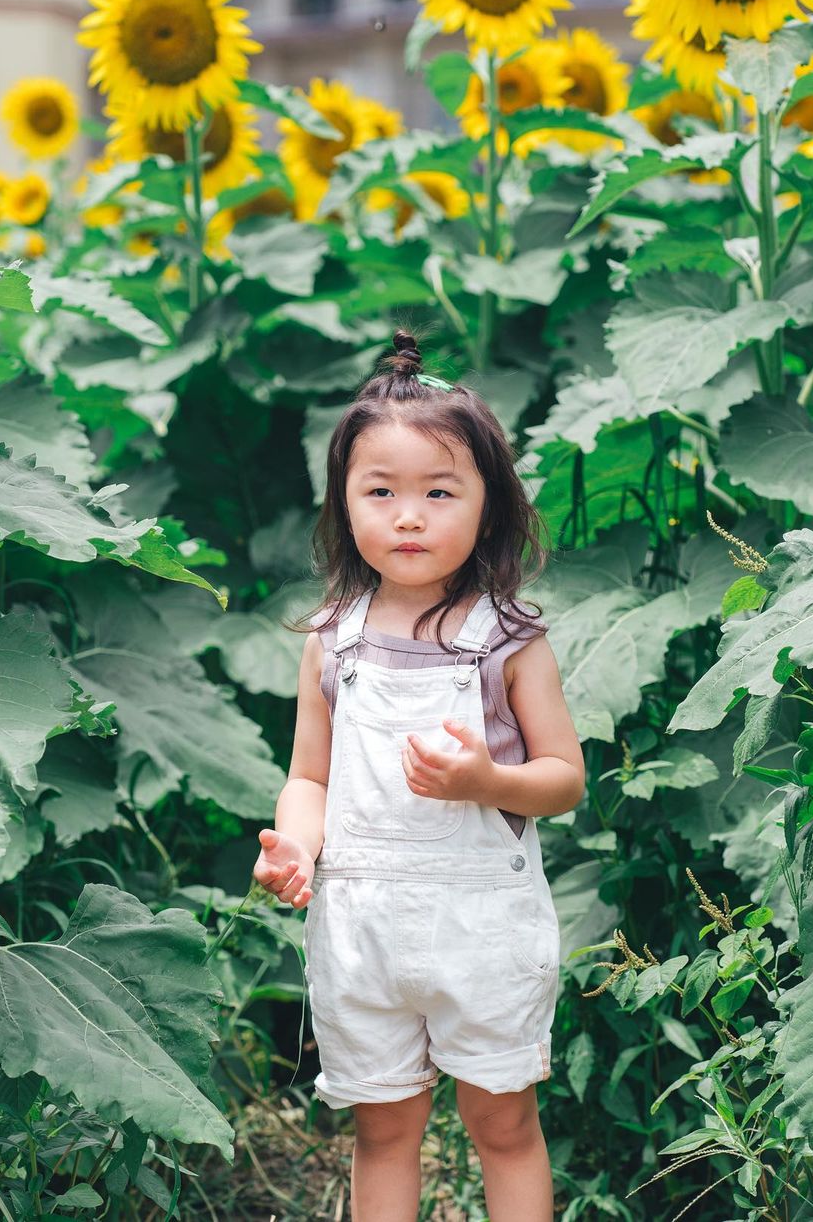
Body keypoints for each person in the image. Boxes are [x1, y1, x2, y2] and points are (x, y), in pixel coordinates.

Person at [252, 329, 585, 1222]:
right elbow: (310, 778)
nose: (409, 517)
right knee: (383, 1130)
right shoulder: (332, 641)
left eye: (440, 492)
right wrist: (297, 846)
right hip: (361, 930)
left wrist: (487, 782)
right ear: (344, 503)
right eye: (381, 492)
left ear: (488, 506)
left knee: (502, 1123)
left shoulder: (508, 640)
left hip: (482, 930)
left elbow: (564, 779)